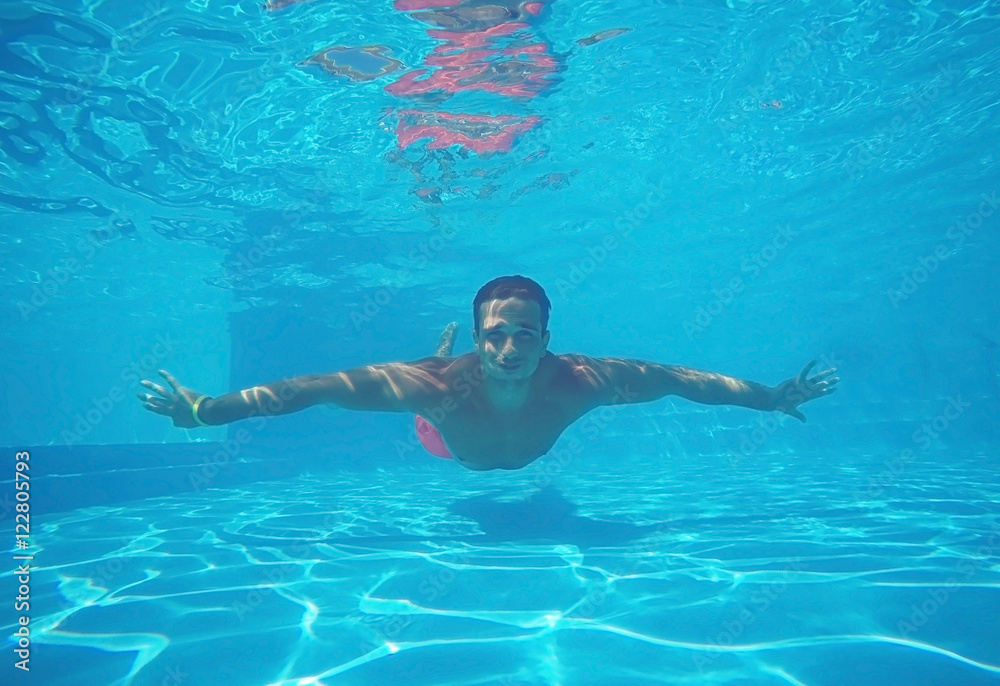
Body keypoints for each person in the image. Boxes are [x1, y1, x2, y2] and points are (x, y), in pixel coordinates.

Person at [139, 275, 838, 471]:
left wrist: (772, 399)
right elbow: (307, 391)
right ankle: (432, 347)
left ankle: (433, 344)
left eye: (524, 334)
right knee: (424, 389)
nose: (509, 348)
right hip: (446, 439)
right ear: (480, 338)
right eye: (495, 335)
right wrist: (206, 410)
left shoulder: (585, 381)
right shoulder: (438, 387)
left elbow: (684, 380)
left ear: (545, 340)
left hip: (515, 439)